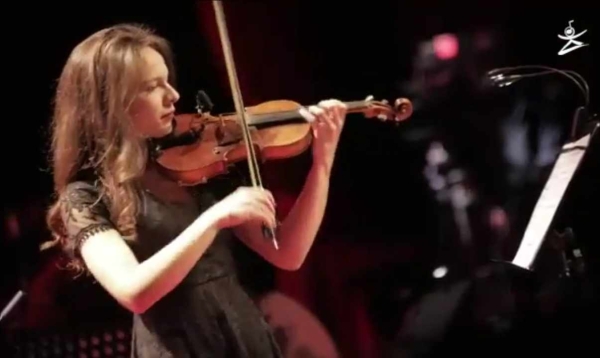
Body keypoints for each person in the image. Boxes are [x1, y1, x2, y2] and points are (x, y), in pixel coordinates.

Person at [44, 23, 347, 357]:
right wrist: (215, 217)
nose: (173, 95)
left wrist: (322, 164)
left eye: (167, 81)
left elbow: (288, 253)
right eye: (152, 86)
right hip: (177, 346)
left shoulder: (194, 165)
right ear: (111, 103)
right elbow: (134, 291)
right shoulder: (84, 196)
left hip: (243, 335)